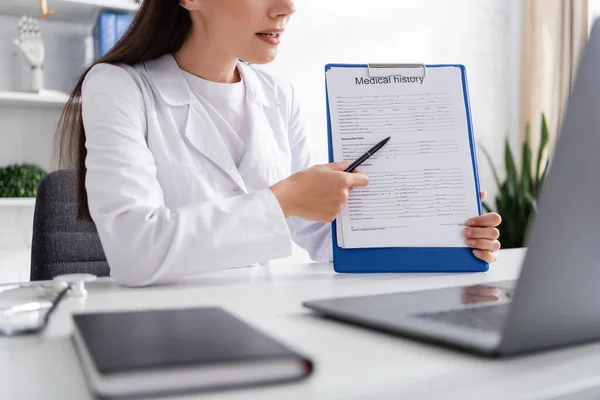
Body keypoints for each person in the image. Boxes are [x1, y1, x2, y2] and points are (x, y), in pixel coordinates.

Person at [56, 0, 502, 287]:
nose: (286, 7)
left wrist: (442, 229)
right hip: (163, 335)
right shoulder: (118, 87)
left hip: (268, 321)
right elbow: (136, 252)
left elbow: (325, 236)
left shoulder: (276, 95)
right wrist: (285, 198)